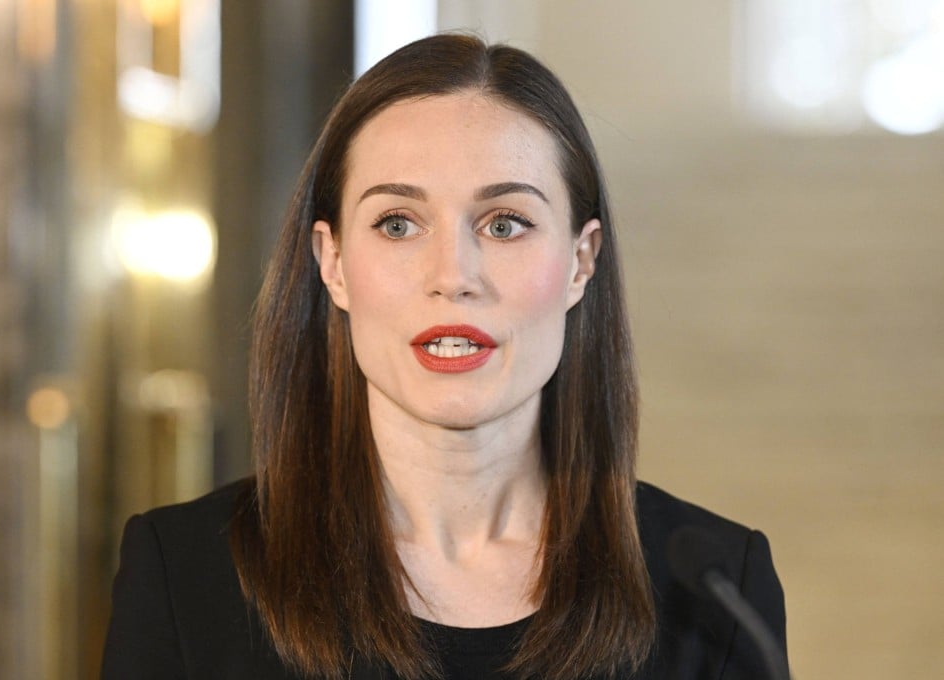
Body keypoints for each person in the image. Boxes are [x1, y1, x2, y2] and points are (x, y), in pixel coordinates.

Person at [101, 34, 786, 680]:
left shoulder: (719, 592)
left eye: (504, 224)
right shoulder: (182, 575)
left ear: (582, 261)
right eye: (398, 224)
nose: (453, 275)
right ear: (332, 263)